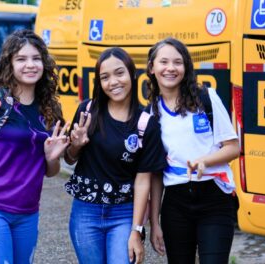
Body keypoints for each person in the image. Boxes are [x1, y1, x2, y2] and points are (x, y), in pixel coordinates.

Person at [0, 29, 69, 263]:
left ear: (45, 63)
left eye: (36, 58)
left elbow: (50, 171)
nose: (30, 65)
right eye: (21, 59)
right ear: (9, 63)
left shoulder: (49, 109)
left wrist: (51, 157)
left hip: (28, 213)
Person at [63, 47, 167, 264]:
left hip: (124, 214)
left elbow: (143, 181)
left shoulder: (146, 123)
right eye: (105, 77)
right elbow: (69, 159)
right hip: (85, 212)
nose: (113, 82)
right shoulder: (87, 111)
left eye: (119, 73)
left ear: (132, 74)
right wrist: (75, 145)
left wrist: (136, 230)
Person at [146, 37, 240, 263]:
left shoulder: (206, 98)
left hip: (215, 198)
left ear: (185, 67)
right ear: (152, 68)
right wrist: (154, 223)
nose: (171, 68)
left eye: (178, 62)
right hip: (175, 204)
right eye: (164, 62)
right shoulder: (150, 114)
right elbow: (155, 173)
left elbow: (233, 147)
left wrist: (205, 161)